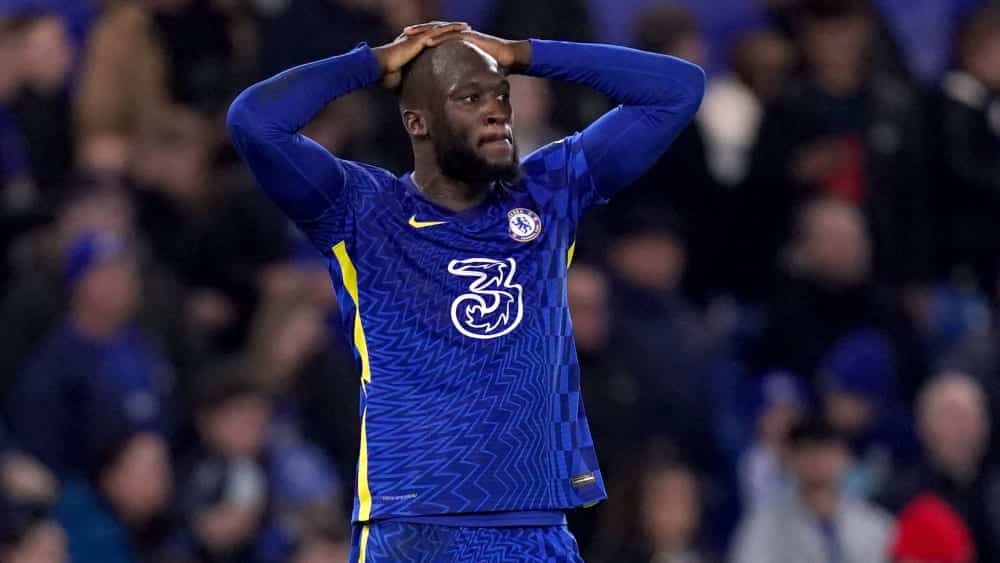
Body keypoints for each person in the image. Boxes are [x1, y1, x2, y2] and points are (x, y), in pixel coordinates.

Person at [227, 19, 705, 562]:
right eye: (470, 98)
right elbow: (254, 122)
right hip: (415, 528)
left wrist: (522, 53)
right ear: (417, 122)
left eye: (501, 94)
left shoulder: (548, 193)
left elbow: (678, 89)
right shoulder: (360, 210)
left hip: (537, 526)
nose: (497, 110)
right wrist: (373, 62)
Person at [730, 416, 893, 563]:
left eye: (826, 449)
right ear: (789, 460)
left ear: (845, 458)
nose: (817, 459)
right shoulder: (763, 527)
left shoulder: (874, 524)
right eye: (806, 450)